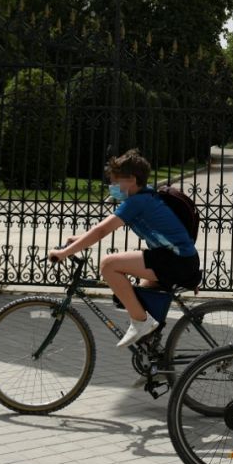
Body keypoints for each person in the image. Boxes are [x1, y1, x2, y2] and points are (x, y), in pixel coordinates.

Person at [47, 149, 201, 348]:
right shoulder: (145, 196)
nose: (112, 187)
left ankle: (141, 322)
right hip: (178, 260)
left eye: (115, 181)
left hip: (175, 261)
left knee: (108, 265)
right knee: (143, 297)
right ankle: (152, 348)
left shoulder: (137, 202)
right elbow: (102, 229)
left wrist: (63, 253)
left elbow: (101, 231)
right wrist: (78, 240)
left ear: (132, 180)